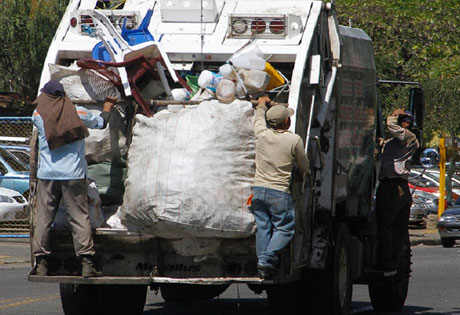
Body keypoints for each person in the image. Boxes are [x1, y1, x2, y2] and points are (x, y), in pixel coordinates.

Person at [30, 80, 117, 277]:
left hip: (47, 176)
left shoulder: (37, 116)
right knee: (78, 218)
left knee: (44, 219)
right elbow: (101, 122)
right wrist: (107, 107)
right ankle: (87, 264)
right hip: (74, 175)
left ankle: (42, 263)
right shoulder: (79, 113)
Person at [252, 96, 310, 278]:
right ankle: (267, 259)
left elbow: (258, 118)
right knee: (284, 228)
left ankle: (263, 264)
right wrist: (305, 172)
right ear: (287, 121)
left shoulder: (262, 133)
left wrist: (261, 104)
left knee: (263, 227)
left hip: (258, 191)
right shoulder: (294, 140)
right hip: (278, 192)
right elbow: (304, 165)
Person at [375, 108, 419, 275]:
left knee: (386, 225)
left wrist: (392, 116)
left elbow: (394, 128)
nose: (403, 123)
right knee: (396, 228)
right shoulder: (394, 142)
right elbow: (386, 145)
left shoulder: (408, 137)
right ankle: (394, 262)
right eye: (402, 119)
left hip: (394, 187)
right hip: (395, 187)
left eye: (406, 120)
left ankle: (388, 263)